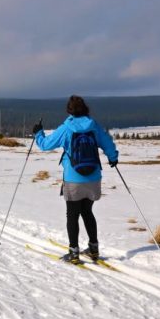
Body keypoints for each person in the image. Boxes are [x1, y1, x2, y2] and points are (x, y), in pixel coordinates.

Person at [33, 95, 118, 264]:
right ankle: (93, 249)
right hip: (93, 178)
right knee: (87, 212)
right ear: (85, 108)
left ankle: (74, 253)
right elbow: (107, 141)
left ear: (69, 110)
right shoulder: (93, 126)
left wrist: (38, 133)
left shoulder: (67, 128)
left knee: (72, 215)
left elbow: (45, 145)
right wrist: (113, 156)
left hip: (74, 179)